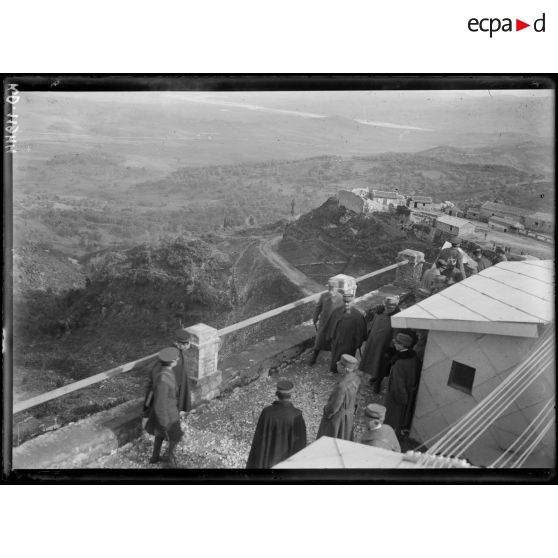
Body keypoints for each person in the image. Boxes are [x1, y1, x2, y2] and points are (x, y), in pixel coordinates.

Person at [246, 380, 307, 469]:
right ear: (291, 395)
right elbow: (300, 445)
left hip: (267, 461)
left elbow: (258, 442)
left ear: (277, 394)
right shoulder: (296, 416)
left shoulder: (266, 412)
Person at [145, 347, 184, 465]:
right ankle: (169, 462)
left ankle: (155, 457)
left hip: (167, 413)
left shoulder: (163, 371)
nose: (177, 359)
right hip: (168, 416)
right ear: (172, 362)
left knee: (159, 435)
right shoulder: (164, 379)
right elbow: (159, 405)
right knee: (175, 438)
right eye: (176, 358)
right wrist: (165, 424)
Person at [359, 295, 400, 393]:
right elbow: (368, 319)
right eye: (386, 306)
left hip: (384, 346)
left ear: (395, 306)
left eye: (390, 307)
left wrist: (390, 348)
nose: (387, 309)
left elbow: (396, 333)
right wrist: (371, 310)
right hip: (373, 342)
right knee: (372, 361)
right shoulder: (379, 311)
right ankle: (373, 377)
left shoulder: (397, 317)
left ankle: (378, 383)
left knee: (381, 364)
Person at [317, 354, 361, 441]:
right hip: (349, 414)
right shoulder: (356, 378)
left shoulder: (341, 386)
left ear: (345, 369)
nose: (337, 363)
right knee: (345, 436)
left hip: (338, 419)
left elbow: (333, 408)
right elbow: (357, 399)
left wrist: (326, 412)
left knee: (331, 438)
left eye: (340, 364)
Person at [384, 332, 420, 437]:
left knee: (393, 416)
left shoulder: (399, 362)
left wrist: (401, 397)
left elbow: (398, 383)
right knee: (401, 416)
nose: (394, 344)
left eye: (397, 343)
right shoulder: (413, 357)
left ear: (402, 345)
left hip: (397, 394)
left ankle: (389, 433)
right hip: (408, 391)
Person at [326, 292, 367, 373]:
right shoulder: (337, 311)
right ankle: (334, 369)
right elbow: (331, 324)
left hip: (349, 343)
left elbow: (360, 332)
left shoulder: (358, 316)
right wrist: (330, 337)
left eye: (349, 302)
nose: (346, 304)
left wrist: (358, 343)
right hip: (337, 341)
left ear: (353, 302)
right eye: (345, 302)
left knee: (347, 360)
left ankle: (345, 373)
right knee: (335, 356)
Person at [309, 278, 343, 365]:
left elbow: (343, 311)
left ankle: (334, 362)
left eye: (333, 287)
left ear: (337, 288)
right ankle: (314, 358)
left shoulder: (341, 298)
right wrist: (315, 318)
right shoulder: (323, 296)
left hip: (334, 324)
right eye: (330, 287)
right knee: (319, 340)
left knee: (333, 341)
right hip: (323, 322)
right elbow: (318, 307)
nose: (331, 289)